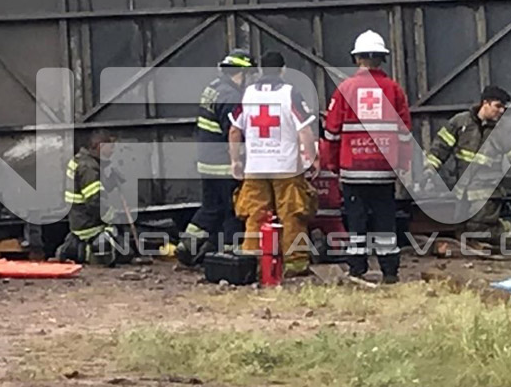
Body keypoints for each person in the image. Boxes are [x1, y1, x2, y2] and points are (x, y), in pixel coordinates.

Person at [320, 30, 412, 283]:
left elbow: (331, 133)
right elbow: (405, 134)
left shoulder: (345, 89)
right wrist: (402, 165)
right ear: (382, 58)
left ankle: (357, 270)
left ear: (357, 58)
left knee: (356, 221)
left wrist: (333, 165)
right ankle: (390, 272)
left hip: (352, 170)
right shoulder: (394, 90)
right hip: (384, 170)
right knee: (385, 221)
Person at [228, 50, 319, 277]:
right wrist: (312, 158)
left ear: (260, 70)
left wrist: (235, 161)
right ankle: (295, 264)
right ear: (283, 70)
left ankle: (252, 264)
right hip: (286, 167)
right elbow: (305, 130)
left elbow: (234, 130)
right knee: (292, 215)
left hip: (255, 167)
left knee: (255, 215)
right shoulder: (290, 93)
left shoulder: (247, 94)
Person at [422, 85, 511, 247]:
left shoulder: (503, 131)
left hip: (488, 193)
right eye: (498, 106)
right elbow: (440, 149)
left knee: (478, 230)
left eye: (504, 108)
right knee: (462, 230)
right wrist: (428, 171)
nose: (501, 111)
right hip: (462, 193)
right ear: (485, 103)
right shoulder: (460, 123)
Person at [176, 49, 258, 266]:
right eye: (250, 74)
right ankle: (231, 254)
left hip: (207, 163)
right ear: (241, 73)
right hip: (223, 165)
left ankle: (187, 245)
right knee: (233, 209)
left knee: (211, 208)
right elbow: (233, 133)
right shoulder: (232, 98)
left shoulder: (213, 88)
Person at [57, 128, 133, 266]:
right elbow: (94, 202)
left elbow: (90, 190)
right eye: (110, 147)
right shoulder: (88, 168)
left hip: (78, 220)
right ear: (100, 146)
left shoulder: (80, 160)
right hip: (88, 224)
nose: (112, 151)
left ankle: (74, 247)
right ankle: (86, 251)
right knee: (124, 252)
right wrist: (112, 218)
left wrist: (110, 182)